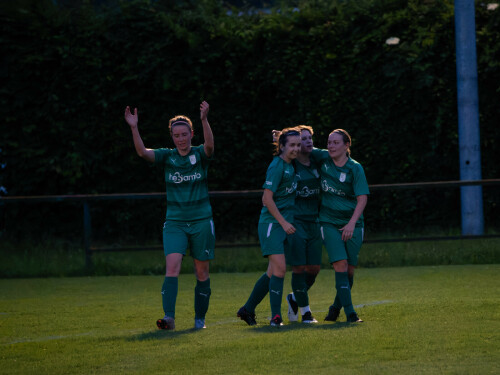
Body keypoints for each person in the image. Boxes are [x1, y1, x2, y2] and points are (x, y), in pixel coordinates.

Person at [124, 101, 215, 330]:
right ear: (172, 137)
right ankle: (169, 317)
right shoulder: (167, 156)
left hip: (201, 221)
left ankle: (199, 320)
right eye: (176, 135)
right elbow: (142, 153)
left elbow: (210, 147)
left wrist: (204, 120)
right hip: (175, 222)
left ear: (191, 134)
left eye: (184, 134)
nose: (181, 139)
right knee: (172, 267)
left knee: (201, 271)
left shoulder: (199, 155)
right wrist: (134, 127)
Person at [237, 127, 301, 327]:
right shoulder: (277, 166)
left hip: (282, 224)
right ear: (282, 147)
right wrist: (283, 223)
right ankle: (276, 317)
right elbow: (266, 198)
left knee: (273, 272)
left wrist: (279, 139)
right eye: (292, 145)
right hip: (272, 225)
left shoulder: (291, 164)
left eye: (298, 145)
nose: (296, 149)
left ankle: (247, 309)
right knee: (280, 269)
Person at [310, 129, 369, 323]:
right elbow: (300, 147)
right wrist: (280, 139)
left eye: (336, 143)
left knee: (349, 271)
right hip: (328, 222)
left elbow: (362, 199)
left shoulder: (355, 168)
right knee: (340, 265)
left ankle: (335, 308)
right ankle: (351, 314)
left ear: (346, 146)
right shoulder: (323, 158)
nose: (331, 146)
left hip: (353, 224)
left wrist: (352, 223)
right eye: (329, 142)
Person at [284, 125, 322, 324]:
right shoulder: (290, 166)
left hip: (314, 222)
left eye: (310, 139)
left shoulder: (317, 163)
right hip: (296, 223)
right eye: (303, 139)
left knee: (314, 268)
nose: (307, 142)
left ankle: (294, 297)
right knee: (298, 268)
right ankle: (306, 312)